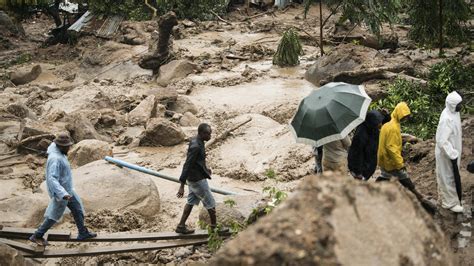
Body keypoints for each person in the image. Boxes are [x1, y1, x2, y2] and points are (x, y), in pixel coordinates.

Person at [29, 133, 97, 246]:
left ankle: (82, 233)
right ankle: (37, 235)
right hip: (61, 192)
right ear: (60, 146)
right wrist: (62, 194)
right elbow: (52, 179)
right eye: (67, 146)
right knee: (54, 215)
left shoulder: (57, 150)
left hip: (68, 189)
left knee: (77, 209)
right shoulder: (55, 159)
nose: (69, 148)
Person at [376, 102, 435, 213]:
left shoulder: (389, 124)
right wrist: (400, 163)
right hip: (391, 161)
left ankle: (374, 191)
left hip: (384, 159)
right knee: (404, 177)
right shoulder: (393, 127)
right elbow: (391, 148)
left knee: (386, 176)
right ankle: (421, 199)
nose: (405, 119)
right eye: (404, 116)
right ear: (399, 114)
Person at [176, 123, 228, 234]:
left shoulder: (199, 141)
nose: (210, 136)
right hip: (197, 180)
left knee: (190, 202)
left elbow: (198, 161)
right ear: (202, 133)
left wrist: (206, 169)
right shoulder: (196, 146)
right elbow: (188, 164)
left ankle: (181, 226)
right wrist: (181, 185)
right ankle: (215, 227)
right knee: (211, 202)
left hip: (194, 178)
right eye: (208, 134)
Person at [435, 91, 463, 213]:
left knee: (449, 176)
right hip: (446, 153)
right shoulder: (447, 119)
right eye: (458, 104)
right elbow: (441, 141)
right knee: (448, 177)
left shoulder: (453, 113)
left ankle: (445, 198)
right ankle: (449, 203)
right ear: (452, 105)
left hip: (453, 151)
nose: (461, 106)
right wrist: (452, 154)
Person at [348, 110, 384, 180]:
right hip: (361, 169)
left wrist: (387, 116)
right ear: (372, 122)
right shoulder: (361, 134)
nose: (380, 124)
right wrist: (358, 172)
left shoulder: (373, 129)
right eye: (378, 122)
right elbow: (356, 153)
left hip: (368, 165)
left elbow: (387, 124)